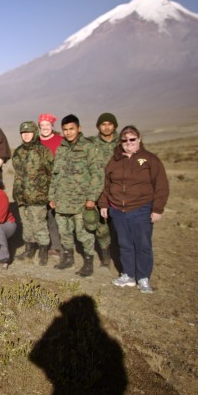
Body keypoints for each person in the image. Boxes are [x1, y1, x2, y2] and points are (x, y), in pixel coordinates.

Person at [99, 126, 169, 293]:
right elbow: (107, 184)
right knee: (124, 244)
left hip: (141, 209)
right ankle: (128, 275)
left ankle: (143, 277)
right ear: (120, 142)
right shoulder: (115, 160)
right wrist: (103, 203)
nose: (128, 143)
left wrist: (157, 209)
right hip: (118, 209)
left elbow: (161, 186)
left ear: (139, 139)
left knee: (143, 244)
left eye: (132, 139)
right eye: (125, 140)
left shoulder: (150, 159)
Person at [48, 114, 103, 277]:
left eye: (71, 129)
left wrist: (92, 198)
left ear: (79, 128)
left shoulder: (88, 147)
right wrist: (52, 196)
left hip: (81, 202)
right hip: (62, 201)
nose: (68, 132)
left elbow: (97, 174)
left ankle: (88, 262)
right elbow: (55, 175)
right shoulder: (61, 149)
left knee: (84, 234)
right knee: (64, 232)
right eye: (65, 129)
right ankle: (68, 258)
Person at [12, 121, 54, 266]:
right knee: (26, 224)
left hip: (38, 196)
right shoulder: (18, 152)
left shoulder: (44, 151)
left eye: (29, 132)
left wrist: (50, 194)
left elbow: (51, 174)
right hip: (21, 196)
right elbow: (17, 173)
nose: (26, 135)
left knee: (38, 224)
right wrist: (17, 193)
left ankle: (43, 251)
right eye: (23, 133)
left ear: (35, 133)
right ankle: (29, 250)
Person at [90, 112, 120, 267]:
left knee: (120, 225)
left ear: (114, 126)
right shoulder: (92, 144)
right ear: (98, 127)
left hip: (120, 191)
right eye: (103, 124)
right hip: (99, 190)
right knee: (101, 227)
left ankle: (121, 254)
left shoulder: (123, 142)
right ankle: (105, 255)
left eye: (110, 124)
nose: (106, 127)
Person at [38, 113, 64, 258]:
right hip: (41, 185)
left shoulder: (60, 140)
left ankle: (63, 245)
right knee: (47, 216)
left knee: (60, 215)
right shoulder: (36, 142)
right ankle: (52, 245)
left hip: (59, 183)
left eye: (47, 125)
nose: (45, 128)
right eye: (42, 125)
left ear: (52, 126)